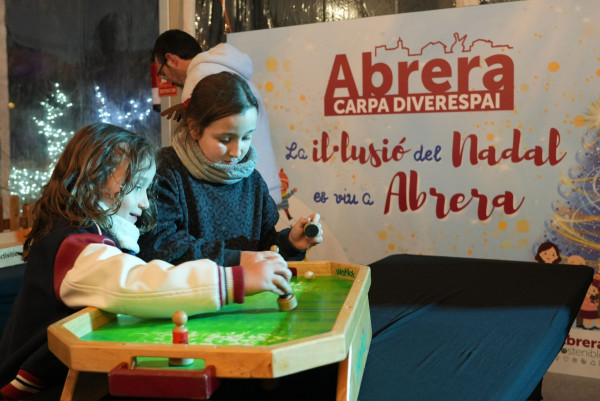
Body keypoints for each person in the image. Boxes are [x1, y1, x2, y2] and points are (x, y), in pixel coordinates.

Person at [0, 123, 292, 400]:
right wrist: (236, 280)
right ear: (95, 179)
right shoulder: (75, 248)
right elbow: (141, 283)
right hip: (40, 391)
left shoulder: (85, 234)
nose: (145, 203)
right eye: (137, 187)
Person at [138, 71, 322, 268]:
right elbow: (160, 247)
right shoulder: (164, 170)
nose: (236, 152)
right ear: (194, 128)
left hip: (247, 296)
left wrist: (290, 244)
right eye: (225, 139)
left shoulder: (252, 181)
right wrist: (238, 260)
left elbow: (265, 250)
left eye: (246, 137)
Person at [152, 29, 282, 204]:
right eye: (226, 139)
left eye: (162, 73)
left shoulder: (199, 77)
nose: (167, 79)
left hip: (237, 185)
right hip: (260, 179)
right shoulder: (227, 68)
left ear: (171, 59)